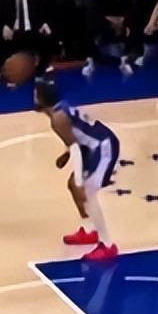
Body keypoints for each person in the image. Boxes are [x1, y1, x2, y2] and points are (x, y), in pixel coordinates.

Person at [34, 78, 120, 261]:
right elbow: (77, 137)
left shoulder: (58, 118)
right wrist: (66, 155)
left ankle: (107, 245)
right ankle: (90, 230)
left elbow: (76, 148)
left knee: (87, 192)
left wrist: (80, 181)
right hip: (93, 146)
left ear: (41, 99)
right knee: (73, 186)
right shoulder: (59, 110)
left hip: (103, 147)